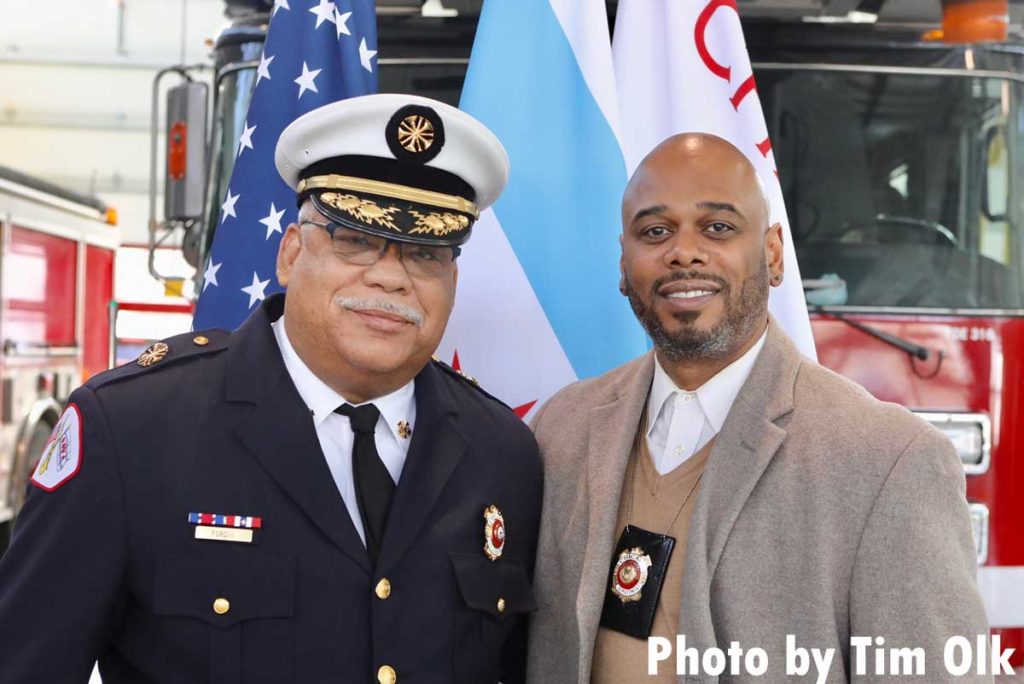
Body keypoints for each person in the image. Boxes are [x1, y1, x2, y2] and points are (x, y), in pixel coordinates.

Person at [0, 94, 542, 684]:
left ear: (453, 279)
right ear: (289, 254)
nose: (391, 276)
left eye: (425, 253)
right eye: (355, 240)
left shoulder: (504, 453)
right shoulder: (131, 430)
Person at [525, 133, 989, 683]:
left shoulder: (890, 462)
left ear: (772, 253)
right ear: (623, 264)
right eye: (655, 231)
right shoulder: (562, 428)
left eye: (718, 227)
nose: (684, 251)